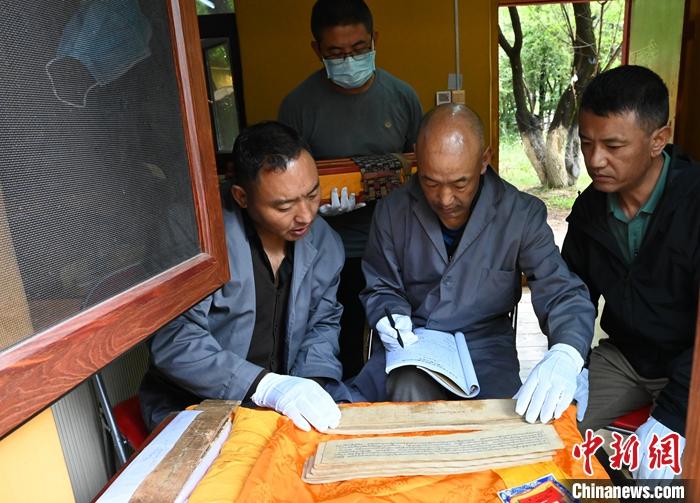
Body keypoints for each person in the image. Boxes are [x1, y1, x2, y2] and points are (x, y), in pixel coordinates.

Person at [356, 104, 595, 425]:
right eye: (430, 182)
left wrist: (566, 352)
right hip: (414, 344)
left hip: (486, 352)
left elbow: (561, 292)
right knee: (406, 397)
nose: (444, 199)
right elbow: (381, 287)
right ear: (417, 160)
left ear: (484, 160)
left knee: (507, 426)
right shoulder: (392, 211)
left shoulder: (520, 215)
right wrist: (390, 315)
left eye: (459, 184)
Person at [139, 121, 350, 431]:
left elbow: (322, 324)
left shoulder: (324, 241)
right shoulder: (195, 235)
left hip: (282, 409)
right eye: (284, 206)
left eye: (312, 194)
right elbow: (176, 340)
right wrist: (266, 386)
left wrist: (310, 386)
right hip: (199, 405)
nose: (306, 215)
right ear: (241, 196)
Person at [563, 65, 699, 480]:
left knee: (672, 475)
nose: (595, 160)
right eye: (586, 143)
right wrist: (569, 358)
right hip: (625, 360)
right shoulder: (590, 209)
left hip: (691, 367)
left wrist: (673, 416)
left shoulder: (694, 204)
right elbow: (572, 294)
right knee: (555, 428)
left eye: (613, 145)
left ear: (659, 139)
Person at [278, 0, 423, 379]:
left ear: (375, 40)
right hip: (329, 249)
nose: (349, 60)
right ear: (317, 50)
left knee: (398, 337)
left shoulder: (402, 97)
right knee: (338, 340)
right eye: (336, 53)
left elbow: (420, 170)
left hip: (395, 245)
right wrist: (317, 206)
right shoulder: (298, 106)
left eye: (358, 49)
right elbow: (286, 181)